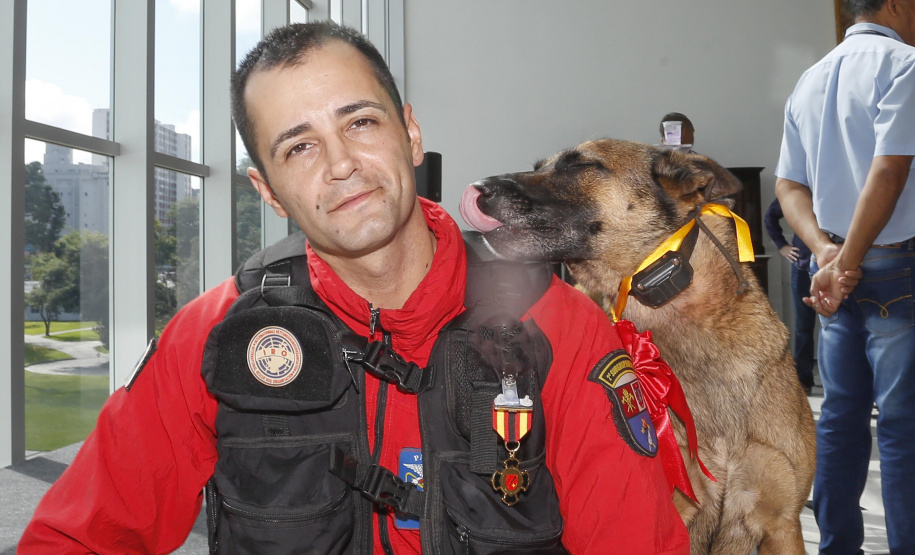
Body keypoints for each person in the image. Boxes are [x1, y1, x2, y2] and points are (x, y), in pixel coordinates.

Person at [19, 22, 690, 554]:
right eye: (298, 147)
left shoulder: (557, 326)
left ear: (410, 130)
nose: (341, 164)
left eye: (359, 122)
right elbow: (76, 537)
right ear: (266, 188)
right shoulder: (213, 335)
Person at [774, 0, 915, 552]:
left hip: (833, 273)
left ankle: (837, 547)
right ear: (898, 4)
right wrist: (848, 258)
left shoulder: (809, 79)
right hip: (891, 267)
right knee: (902, 427)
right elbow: (890, 168)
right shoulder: (904, 64)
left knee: (840, 419)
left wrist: (824, 252)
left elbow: (789, 186)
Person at [763, 197, 816, 394]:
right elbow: (770, 217)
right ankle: (804, 379)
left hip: (837, 264)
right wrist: (782, 245)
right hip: (802, 268)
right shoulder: (798, 187)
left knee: (842, 328)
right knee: (803, 327)